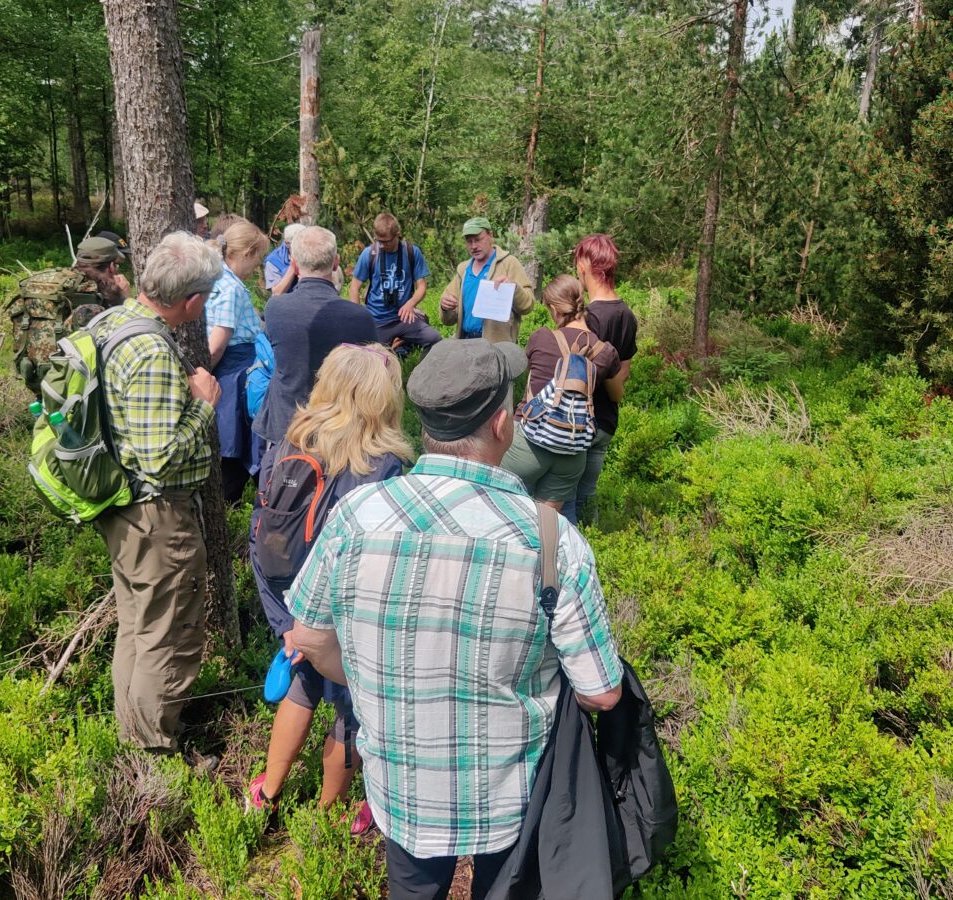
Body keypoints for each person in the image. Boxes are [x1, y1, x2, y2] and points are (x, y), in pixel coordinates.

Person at [290, 338, 623, 899]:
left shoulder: (356, 517)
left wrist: (374, 679)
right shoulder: (553, 541)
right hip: (512, 798)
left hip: (401, 788)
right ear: (502, 425)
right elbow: (603, 693)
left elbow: (309, 636)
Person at [247, 343, 412, 832]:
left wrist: (286, 623)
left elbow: (260, 535)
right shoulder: (383, 465)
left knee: (301, 687)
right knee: (351, 712)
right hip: (348, 613)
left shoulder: (288, 443)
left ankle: (267, 793)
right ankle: (328, 816)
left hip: (294, 604)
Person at [92, 231, 223, 758]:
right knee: (168, 636)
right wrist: (204, 404)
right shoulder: (150, 351)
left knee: (138, 627)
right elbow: (160, 457)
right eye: (205, 297)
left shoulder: (111, 322)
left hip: (124, 508)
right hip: (156, 514)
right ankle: (155, 755)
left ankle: (134, 739)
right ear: (190, 300)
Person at [502, 274, 623, 514]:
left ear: (555, 309)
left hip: (528, 442)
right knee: (550, 522)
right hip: (571, 449)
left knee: (507, 510)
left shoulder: (541, 337)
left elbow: (528, 378)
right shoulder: (606, 352)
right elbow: (617, 395)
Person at [252, 226, 379, 448]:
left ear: (293, 265)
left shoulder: (276, 309)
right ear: (336, 262)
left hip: (287, 423)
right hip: (338, 427)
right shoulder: (361, 317)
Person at [8, 234, 133, 394]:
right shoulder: (95, 298)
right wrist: (125, 300)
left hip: (37, 376)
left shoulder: (57, 284)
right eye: (117, 266)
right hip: (74, 387)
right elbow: (124, 342)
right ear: (111, 267)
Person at [571, 234, 637, 524]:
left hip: (579, 421)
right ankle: (594, 541)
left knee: (567, 494)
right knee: (588, 494)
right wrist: (614, 389)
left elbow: (575, 374)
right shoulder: (627, 314)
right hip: (607, 421)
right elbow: (624, 373)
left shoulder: (588, 318)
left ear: (584, 265)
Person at [205, 220, 269, 503]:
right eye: (258, 259)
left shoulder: (215, 278)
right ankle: (236, 501)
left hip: (231, 370)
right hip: (236, 373)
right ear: (247, 253)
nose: (257, 267)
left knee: (234, 440)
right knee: (238, 441)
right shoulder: (231, 288)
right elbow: (218, 343)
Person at [348, 213, 441, 353]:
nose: (382, 245)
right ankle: (393, 348)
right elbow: (354, 287)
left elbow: (422, 286)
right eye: (378, 241)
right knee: (372, 357)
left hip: (404, 318)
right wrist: (358, 316)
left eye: (386, 242)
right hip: (377, 320)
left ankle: (414, 364)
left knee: (435, 340)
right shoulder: (369, 254)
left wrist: (410, 304)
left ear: (397, 235)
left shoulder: (411, 252)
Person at [439, 216, 534, 344]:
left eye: (478, 240)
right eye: (469, 241)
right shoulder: (463, 270)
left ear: (490, 235)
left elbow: (528, 306)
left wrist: (514, 288)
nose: (474, 246)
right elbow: (448, 320)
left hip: (498, 346)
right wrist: (445, 307)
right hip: (465, 343)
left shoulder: (509, 263)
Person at [264, 223, 305, 296]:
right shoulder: (273, 261)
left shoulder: (314, 252)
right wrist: (293, 266)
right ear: (287, 243)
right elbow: (277, 294)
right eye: (300, 245)